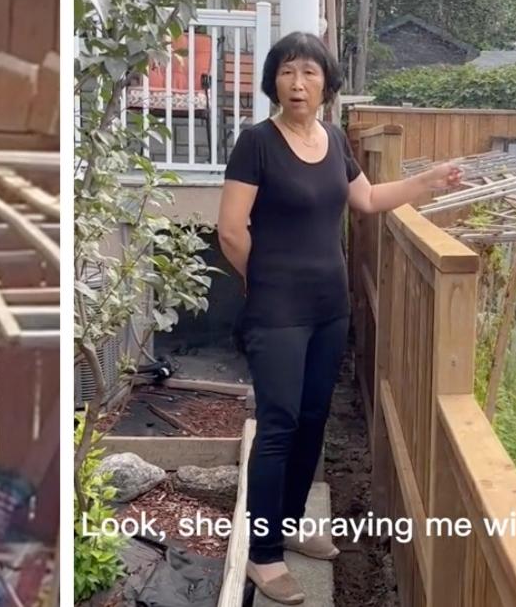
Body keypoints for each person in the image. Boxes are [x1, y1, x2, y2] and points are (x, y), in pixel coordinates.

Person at [217, 31, 461, 604]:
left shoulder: (332, 139)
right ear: (272, 81)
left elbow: (368, 199)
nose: (296, 84)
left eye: (308, 72)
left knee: (312, 419)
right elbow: (231, 230)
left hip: (330, 309)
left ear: (327, 81)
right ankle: (264, 554)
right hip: (277, 311)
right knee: (277, 428)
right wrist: (265, 280)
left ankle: (294, 522)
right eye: (285, 72)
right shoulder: (256, 143)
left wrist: (428, 182)